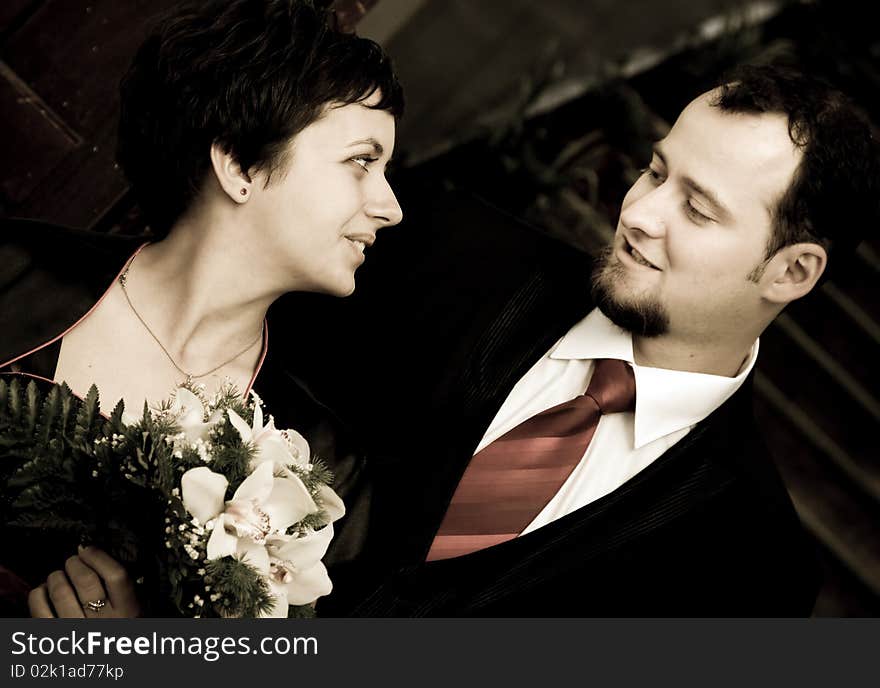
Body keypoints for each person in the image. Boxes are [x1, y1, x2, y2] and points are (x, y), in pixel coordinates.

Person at [279, 64, 880, 616]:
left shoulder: (756, 570)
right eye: (655, 171)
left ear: (792, 271)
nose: (640, 212)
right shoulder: (453, 248)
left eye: (697, 209)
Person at [0, 0, 403, 617]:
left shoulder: (325, 472)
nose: (389, 206)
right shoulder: (12, 270)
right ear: (239, 163)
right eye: (362, 161)